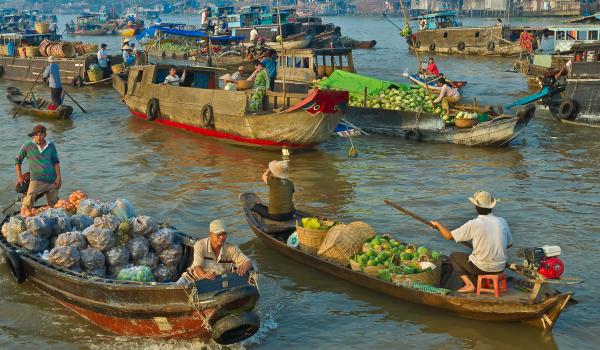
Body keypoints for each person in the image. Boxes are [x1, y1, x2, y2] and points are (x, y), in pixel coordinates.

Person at [431, 191, 513, 293]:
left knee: (454, 256)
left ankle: (469, 284)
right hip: (500, 268)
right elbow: (509, 244)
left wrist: (438, 225)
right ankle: (481, 281)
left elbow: (449, 236)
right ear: (491, 207)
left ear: (476, 207)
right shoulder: (502, 221)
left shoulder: (474, 223)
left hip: (482, 268)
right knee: (476, 258)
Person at [177, 220, 253, 287]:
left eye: (224, 234)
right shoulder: (200, 245)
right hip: (190, 279)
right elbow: (197, 267)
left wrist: (245, 266)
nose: (222, 237)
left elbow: (248, 262)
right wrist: (205, 277)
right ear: (210, 234)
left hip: (215, 283)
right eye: (218, 234)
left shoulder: (231, 249)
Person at [15, 125, 62, 210]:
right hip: (36, 179)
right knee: (26, 205)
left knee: (54, 205)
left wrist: (58, 178)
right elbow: (18, 161)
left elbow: (56, 162)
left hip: (52, 180)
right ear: (33, 136)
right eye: (36, 135)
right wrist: (20, 176)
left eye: (41, 134)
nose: (38, 137)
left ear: (45, 135)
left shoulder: (51, 146)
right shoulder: (27, 146)